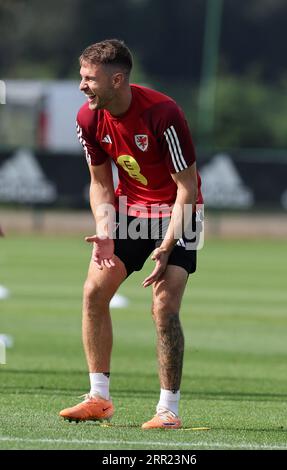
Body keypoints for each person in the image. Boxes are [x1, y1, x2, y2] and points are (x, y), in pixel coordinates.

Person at [59, 39, 203, 429]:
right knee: (94, 291)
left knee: (163, 305)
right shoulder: (88, 119)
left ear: (117, 79)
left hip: (177, 211)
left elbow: (187, 188)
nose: (82, 85)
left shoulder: (163, 113)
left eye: (90, 78)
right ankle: (98, 398)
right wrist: (105, 231)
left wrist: (167, 244)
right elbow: (100, 182)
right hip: (129, 211)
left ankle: (168, 410)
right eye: (81, 76)